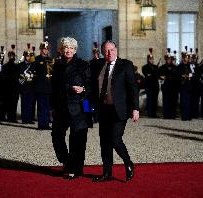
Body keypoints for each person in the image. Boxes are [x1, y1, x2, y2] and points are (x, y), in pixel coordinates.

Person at [92, 40, 139, 182]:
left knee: (115, 139)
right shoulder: (98, 64)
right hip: (104, 109)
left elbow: (132, 88)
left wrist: (135, 108)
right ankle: (107, 173)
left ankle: (128, 162)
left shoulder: (126, 65)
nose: (109, 53)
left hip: (120, 110)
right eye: (106, 51)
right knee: (104, 142)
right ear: (102, 52)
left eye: (111, 50)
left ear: (116, 50)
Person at [51, 37, 92, 179]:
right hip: (61, 107)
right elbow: (53, 88)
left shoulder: (83, 65)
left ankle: (75, 168)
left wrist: (83, 89)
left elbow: (91, 86)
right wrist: (52, 107)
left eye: (71, 48)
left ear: (75, 50)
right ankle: (67, 161)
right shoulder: (57, 65)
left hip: (79, 107)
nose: (68, 50)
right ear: (62, 50)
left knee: (78, 140)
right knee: (56, 135)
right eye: (65, 47)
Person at [34, 40, 53, 129]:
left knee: (47, 107)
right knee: (41, 106)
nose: (45, 51)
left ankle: (46, 123)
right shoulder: (37, 59)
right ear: (41, 49)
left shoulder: (50, 59)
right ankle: (41, 124)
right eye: (44, 49)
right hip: (40, 86)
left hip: (49, 87)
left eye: (47, 49)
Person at [1, 45, 19, 123]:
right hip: (7, 88)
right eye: (10, 56)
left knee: (14, 104)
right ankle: (7, 116)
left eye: (13, 56)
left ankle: (13, 117)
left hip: (15, 88)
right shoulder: (5, 67)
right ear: (8, 56)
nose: (12, 57)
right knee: (7, 103)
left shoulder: (17, 66)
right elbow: (3, 78)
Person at [18, 44, 35, 124]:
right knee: (24, 103)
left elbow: (34, 74)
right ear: (24, 56)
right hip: (24, 86)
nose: (28, 57)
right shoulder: (20, 65)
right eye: (27, 56)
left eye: (29, 56)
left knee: (30, 103)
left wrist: (32, 75)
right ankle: (24, 119)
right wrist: (24, 76)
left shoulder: (32, 65)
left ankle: (29, 118)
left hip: (31, 86)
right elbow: (19, 75)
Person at [142, 48, 159, 118]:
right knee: (150, 100)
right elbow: (147, 75)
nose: (152, 60)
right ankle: (150, 114)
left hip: (155, 85)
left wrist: (152, 74)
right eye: (150, 59)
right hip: (149, 86)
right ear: (148, 59)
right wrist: (153, 74)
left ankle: (154, 114)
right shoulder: (145, 67)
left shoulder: (156, 67)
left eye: (152, 59)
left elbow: (156, 75)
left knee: (155, 100)